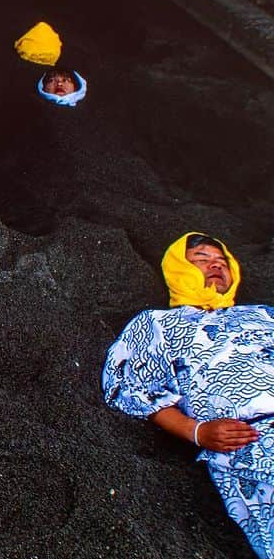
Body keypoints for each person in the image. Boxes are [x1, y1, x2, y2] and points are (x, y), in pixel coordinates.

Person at [103, 232, 274, 557]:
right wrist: (197, 432)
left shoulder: (265, 314)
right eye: (202, 260)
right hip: (251, 439)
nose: (215, 266)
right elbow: (139, 391)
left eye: (221, 261)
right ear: (179, 268)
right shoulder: (158, 324)